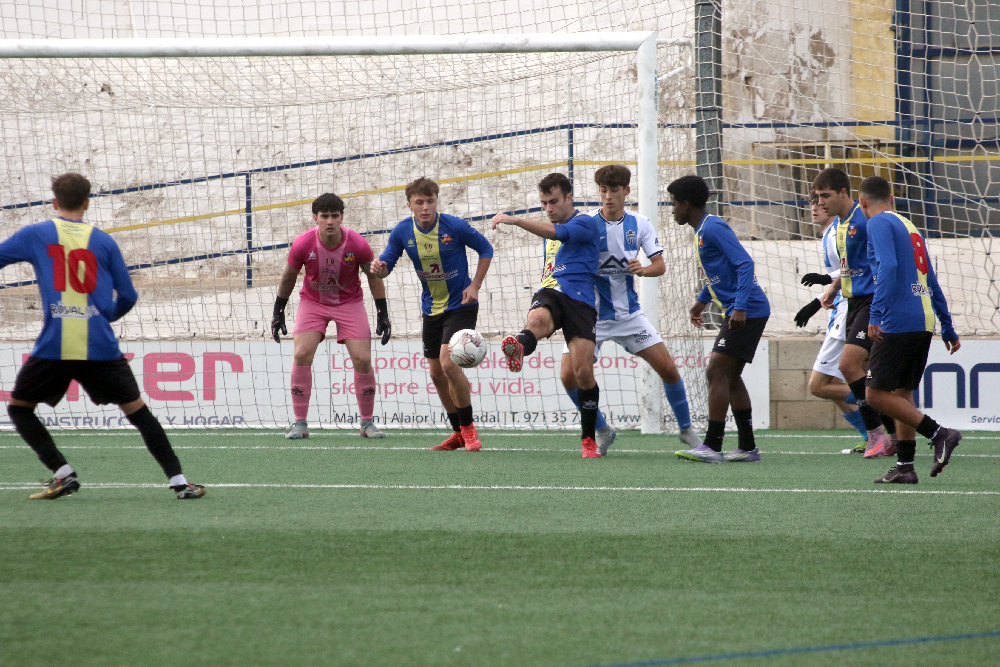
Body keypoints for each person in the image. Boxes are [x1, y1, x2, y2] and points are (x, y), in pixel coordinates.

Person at [0, 173, 205, 500]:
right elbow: (128, 296)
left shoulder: (35, 235)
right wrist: (102, 317)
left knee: (20, 408)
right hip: (99, 347)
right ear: (87, 202)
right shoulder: (104, 241)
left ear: (54, 202)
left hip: (55, 347)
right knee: (138, 413)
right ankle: (180, 481)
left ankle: (63, 472)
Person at [571, 164, 700, 455]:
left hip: (630, 316)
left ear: (626, 191)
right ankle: (602, 430)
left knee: (668, 369)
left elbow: (660, 266)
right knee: (569, 376)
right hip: (592, 320)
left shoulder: (640, 224)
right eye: (603, 190)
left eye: (614, 190)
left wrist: (642, 270)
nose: (608, 196)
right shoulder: (587, 224)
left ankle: (686, 430)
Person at [370, 178, 493, 452]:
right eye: (419, 202)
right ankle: (458, 433)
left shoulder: (454, 226)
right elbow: (387, 262)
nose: (425, 207)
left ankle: (470, 430)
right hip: (431, 309)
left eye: (430, 201)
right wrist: (379, 268)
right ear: (409, 204)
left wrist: (475, 286)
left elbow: (486, 249)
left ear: (437, 201)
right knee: (436, 373)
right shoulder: (403, 231)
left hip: (461, 304)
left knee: (449, 365)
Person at [860, 176, 962, 484]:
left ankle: (939, 433)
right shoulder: (909, 226)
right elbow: (930, 279)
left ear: (863, 202)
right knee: (902, 393)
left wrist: (876, 312)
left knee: (875, 394)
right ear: (891, 197)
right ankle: (905, 466)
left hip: (898, 319)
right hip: (923, 318)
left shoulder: (877, 223)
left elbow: (888, 268)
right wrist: (948, 326)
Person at [492, 173, 602, 457]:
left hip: (580, 299)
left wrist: (516, 220)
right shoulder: (550, 228)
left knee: (582, 372)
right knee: (537, 320)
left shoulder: (585, 223)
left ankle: (589, 439)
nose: (549, 209)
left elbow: (560, 234)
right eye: (544, 203)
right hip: (552, 289)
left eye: (554, 202)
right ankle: (519, 344)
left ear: (569, 198)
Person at [272, 193, 390, 440]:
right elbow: (289, 276)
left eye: (334, 216)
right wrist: (278, 310)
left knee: (362, 358)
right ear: (315, 218)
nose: (329, 222)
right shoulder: (303, 243)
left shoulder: (357, 243)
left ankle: (367, 424)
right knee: (302, 353)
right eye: (324, 216)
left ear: (341, 218)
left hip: (349, 302)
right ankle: (300, 423)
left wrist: (382, 313)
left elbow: (373, 276)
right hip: (313, 302)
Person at [669, 175, 770, 463]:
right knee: (729, 375)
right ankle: (748, 447)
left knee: (715, 371)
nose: (672, 210)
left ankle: (712, 445)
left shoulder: (712, 228)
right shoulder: (703, 230)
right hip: (744, 309)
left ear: (686, 205)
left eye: (674, 204)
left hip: (747, 310)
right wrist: (702, 301)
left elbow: (744, 263)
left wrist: (739, 307)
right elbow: (721, 272)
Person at [815, 168, 897, 458]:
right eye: (817, 196)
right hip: (851, 302)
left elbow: (884, 259)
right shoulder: (840, 223)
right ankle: (894, 434)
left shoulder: (864, 220)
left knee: (849, 365)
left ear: (844, 194)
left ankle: (876, 436)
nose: (820, 202)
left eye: (825, 196)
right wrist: (834, 288)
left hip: (871, 300)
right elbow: (852, 262)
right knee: (869, 374)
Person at [794, 193, 868, 451]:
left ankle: (885, 409)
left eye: (820, 200)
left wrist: (825, 282)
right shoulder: (830, 232)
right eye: (812, 202)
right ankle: (874, 434)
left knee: (819, 385)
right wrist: (820, 298)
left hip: (850, 310)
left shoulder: (844, 228)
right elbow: (847, 270)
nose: (815, 207)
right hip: (844, 309)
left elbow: (855, 268)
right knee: (847, 379)